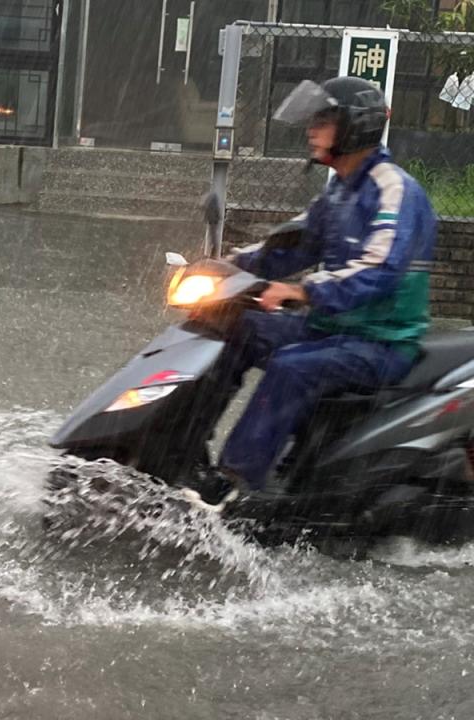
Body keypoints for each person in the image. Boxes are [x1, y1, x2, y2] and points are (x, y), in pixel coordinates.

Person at [184, 76, 438, 506]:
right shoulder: (340, 189)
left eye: (324, 120)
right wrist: (233, 265)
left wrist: (303, 292)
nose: (311, 130)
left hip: (380, 341)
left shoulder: (393, 190)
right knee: (234, 324)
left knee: (291, 366)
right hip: (331, 327)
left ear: (355, 127)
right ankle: (185, 451)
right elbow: (293, 243)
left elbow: (381, 269)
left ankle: (236, 487)